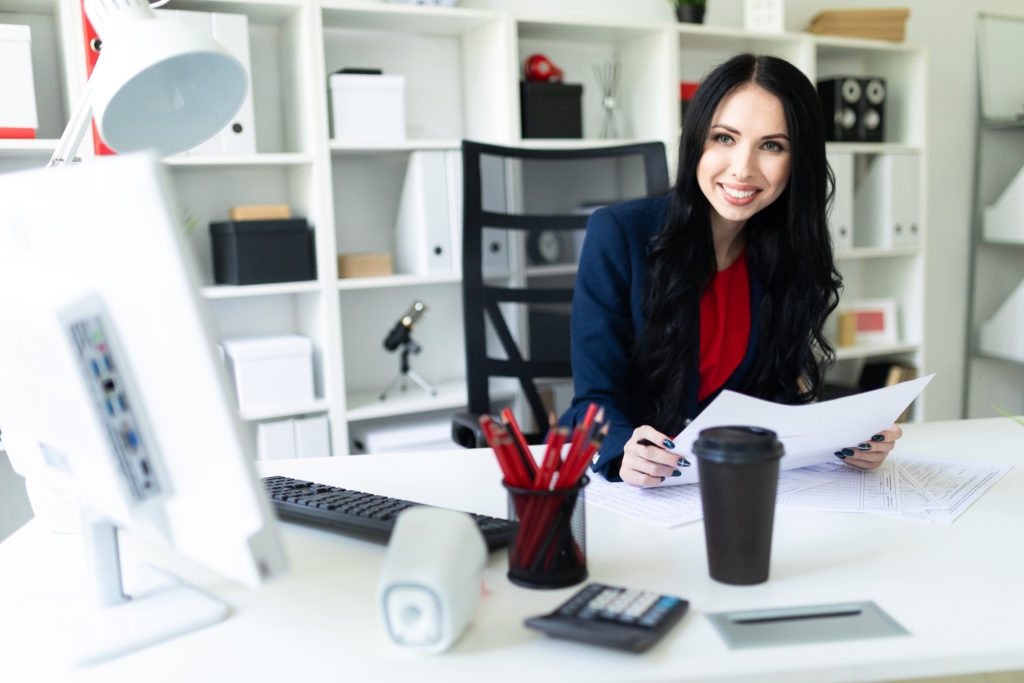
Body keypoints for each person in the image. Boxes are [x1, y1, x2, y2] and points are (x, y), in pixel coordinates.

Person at [560, 53, 902, 487]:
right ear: (696, 140)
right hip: (645, 495)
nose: (743, 168)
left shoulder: (789, 252)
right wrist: (622, 451)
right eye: (725, 138)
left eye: (772, 145)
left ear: (798, 161)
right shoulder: (618, 235)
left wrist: (848, 440)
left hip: (738, 483)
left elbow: (774, 400)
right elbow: (592, 401)